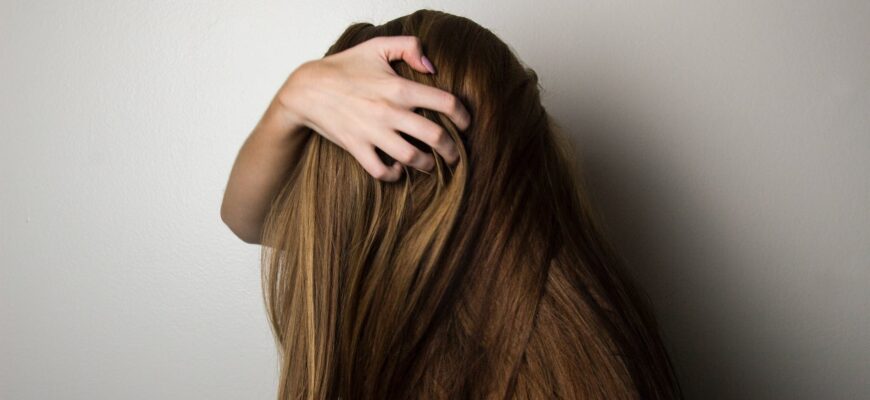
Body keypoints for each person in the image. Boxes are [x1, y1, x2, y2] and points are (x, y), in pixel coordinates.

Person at [221, 9, 683, 400]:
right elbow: (245, 219)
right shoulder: (588, 334)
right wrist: (294, 100)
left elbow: (250, 220)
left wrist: (293, 100)